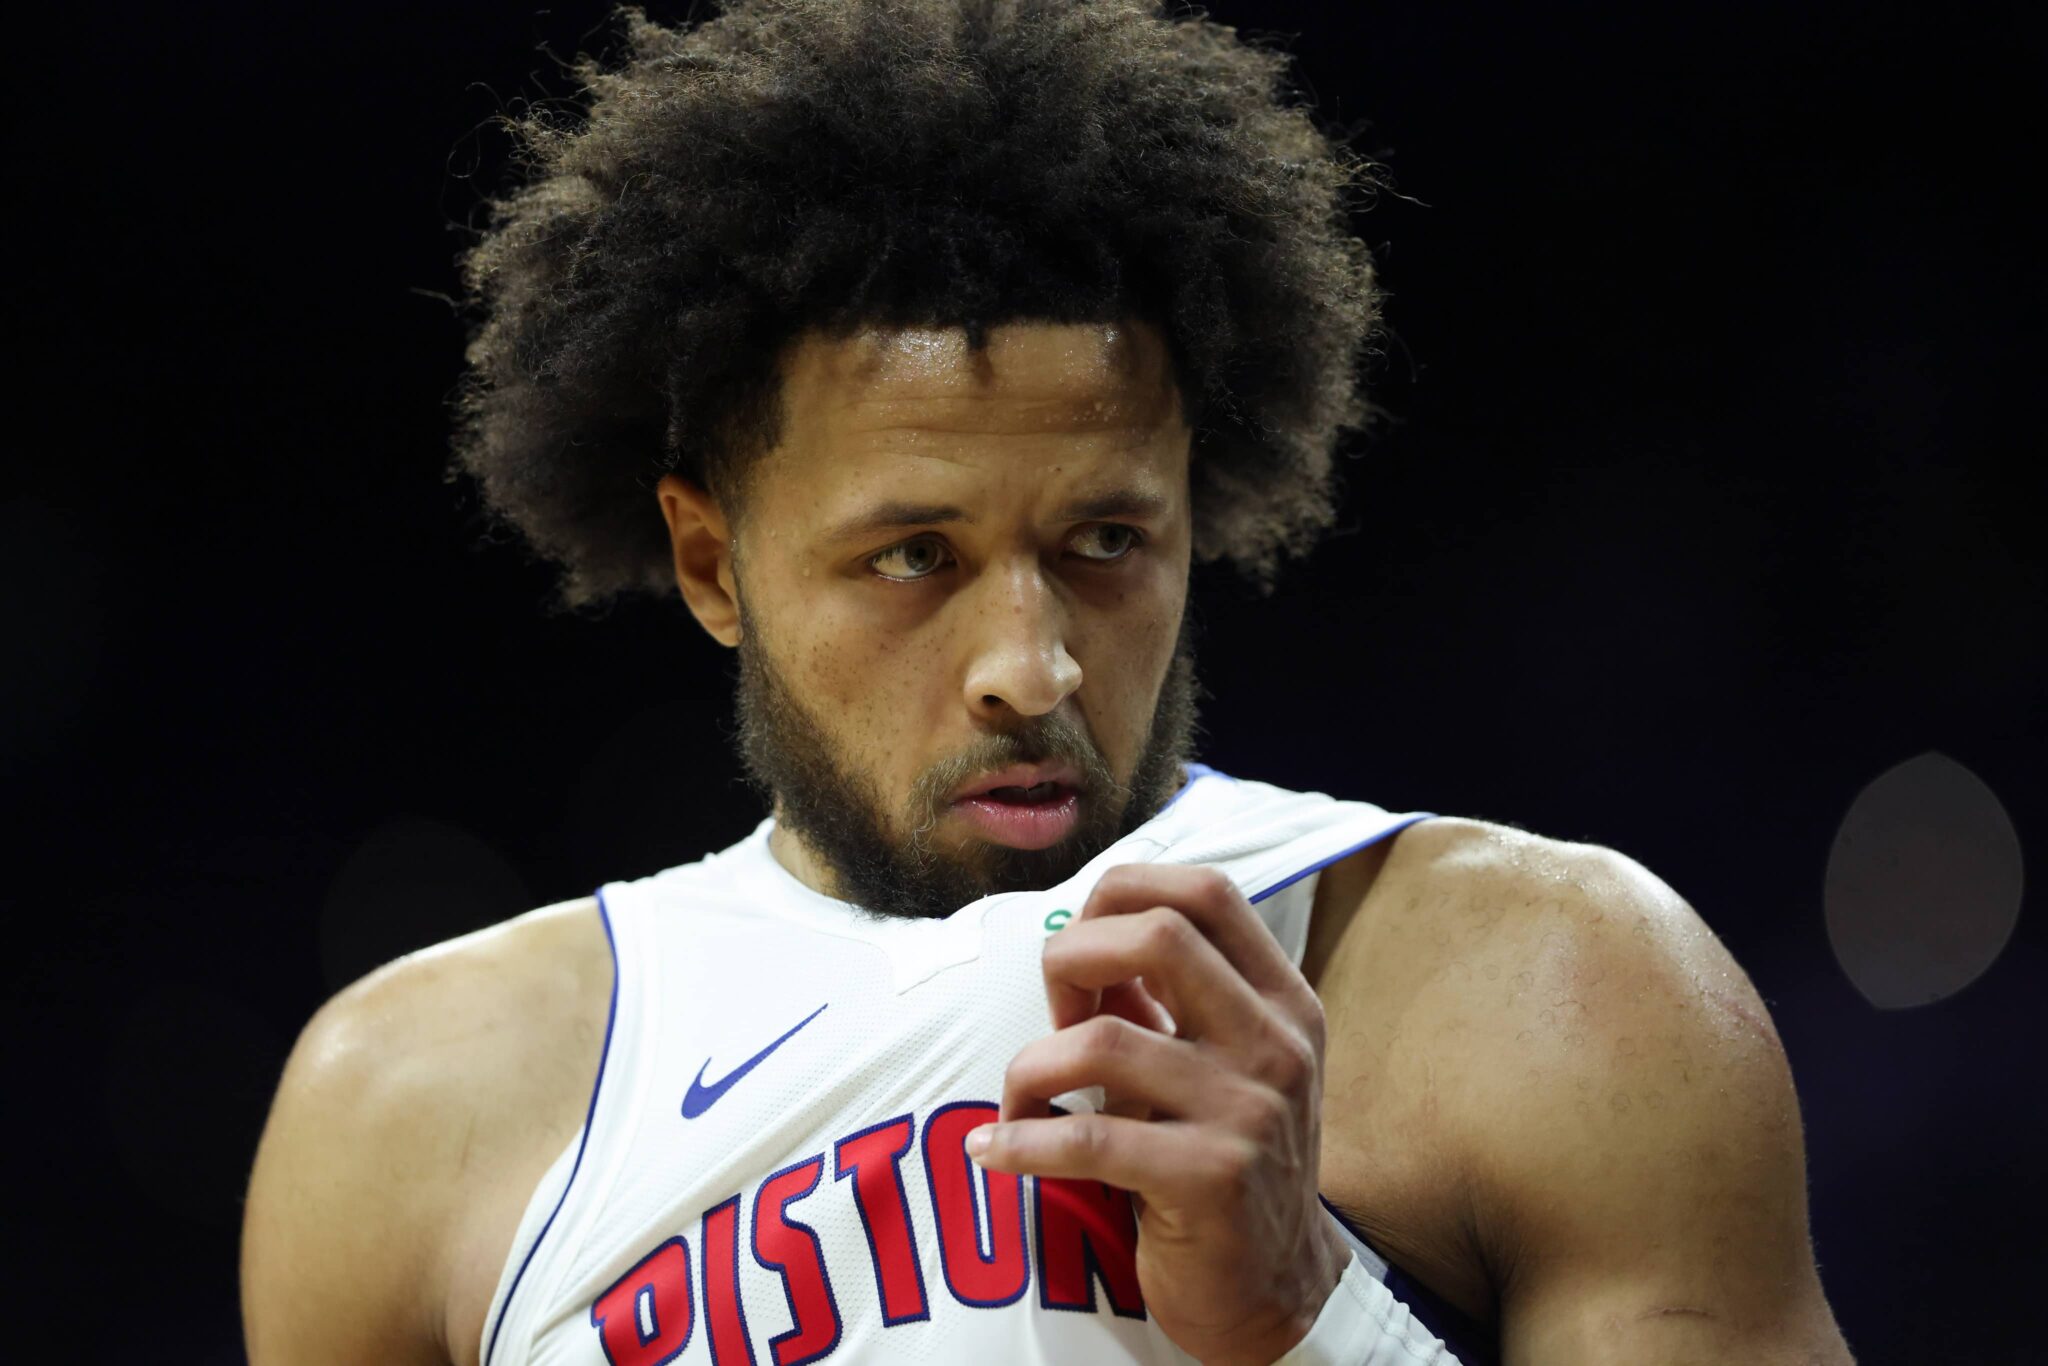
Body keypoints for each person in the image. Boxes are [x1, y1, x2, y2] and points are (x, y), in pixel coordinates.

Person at [241, 2, 1854, 1363]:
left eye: (1104, 541)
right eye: (912, 556)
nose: (1033, 663)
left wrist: (1312, 1318)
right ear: (713, 563)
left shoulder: (1554, 988)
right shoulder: (412, 1108)